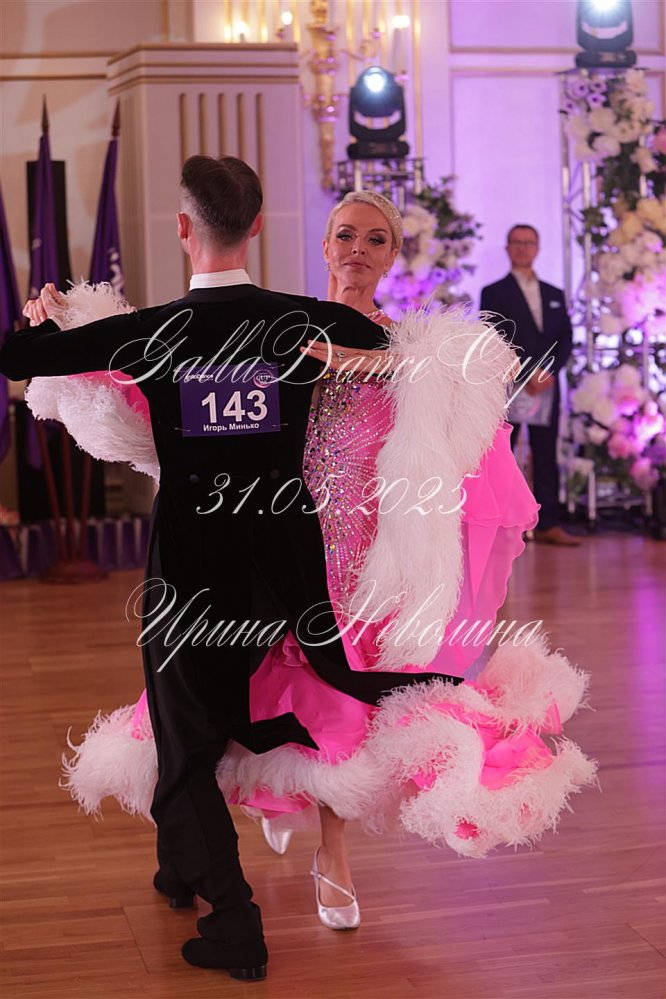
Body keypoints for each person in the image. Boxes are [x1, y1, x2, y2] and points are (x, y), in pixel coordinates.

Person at [36, 193, 595, 934]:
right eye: (345, 235)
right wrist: (75, 327)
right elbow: (171, 369)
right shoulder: (281, 326)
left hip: (359, 552)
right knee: (244, 691)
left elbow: (474, 379)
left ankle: (333, 851)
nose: (358, 248)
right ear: (325, 246)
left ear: (391, 256)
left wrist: (372, 361)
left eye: (376, 239)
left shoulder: (411, 347)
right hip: (274, 539)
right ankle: (227, 832)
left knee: (341, 703)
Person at [2, 159, 464, 980]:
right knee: (218, 716)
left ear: (184, 228)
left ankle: (237, 922)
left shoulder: (153, 331)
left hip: (193, 570)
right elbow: (410, 350)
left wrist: (43, 318)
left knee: (185, 744)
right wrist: (345, 358)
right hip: (287, 571)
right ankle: (179, 870)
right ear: (257, 227)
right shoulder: (303, 321)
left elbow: (18, 357)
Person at [480, 224, 580, 546]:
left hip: (547, 386)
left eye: (529, 242)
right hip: (509, 385)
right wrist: (525, 373)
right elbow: (493, 337)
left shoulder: (554, 293)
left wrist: (549, 371)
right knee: (503, 455)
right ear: (507, 248)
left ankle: (549, 523)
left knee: (546, 454)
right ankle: (501, 524)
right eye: (517, 242)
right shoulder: (493, 292)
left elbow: (565, 337)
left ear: (537, 248)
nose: (523, 248)